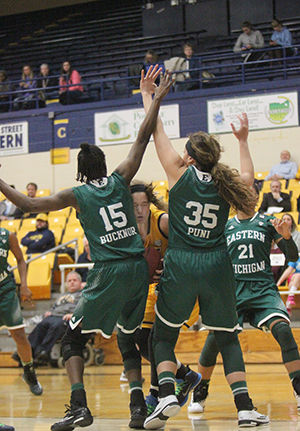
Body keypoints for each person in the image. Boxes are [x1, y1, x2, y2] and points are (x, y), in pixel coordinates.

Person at [0, 65, 172, 431]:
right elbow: (142, 137)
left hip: (109, 271)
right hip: (137, 268)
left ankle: (79, 406)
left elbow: (28, 206)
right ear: (104, 165)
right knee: (129, 339)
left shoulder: (75, 195)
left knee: (72, 340)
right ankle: (138, 409)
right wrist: (155, 99)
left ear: (80, 172)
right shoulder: (121, 178)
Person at [142, 70, 269, 428]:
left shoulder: (178, 175)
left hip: (182, 262)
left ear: (191, 159)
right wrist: (242, 141)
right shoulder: (225, 183)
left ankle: (167, 392)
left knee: (164, 335)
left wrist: (149, 96)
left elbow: (155, 132)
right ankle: (244, 407)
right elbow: (249, 180)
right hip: (217, 265)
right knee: (227, 337)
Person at [189, 179, 300, 416]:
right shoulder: (225, 226)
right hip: (233, 293)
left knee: (283, 330)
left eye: (251, 193)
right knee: (214, 342)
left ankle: (298, 388)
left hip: (262, 291)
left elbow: (292, 255)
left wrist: (287, 237)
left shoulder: (268, 222)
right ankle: (200, 390)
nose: (246, 197)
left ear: (257, 197)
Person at [128, 182, 201, 416]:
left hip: (174, 285)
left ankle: (156, 393)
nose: (139, 210)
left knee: (155, 341)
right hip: (148, 288)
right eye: (134, 205)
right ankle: (185, 375)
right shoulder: (126, 227)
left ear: (149, 203)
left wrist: (168, 264)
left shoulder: (163, 221)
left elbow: (190, 249)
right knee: (142, 339)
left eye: (143, 204)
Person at [0, 226, 42, 395]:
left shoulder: (7, 235)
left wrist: (24, 285)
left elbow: (20, 260)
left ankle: (29, 371)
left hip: (5, 289)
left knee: (19, 335)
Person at [28, 271, 82, 362]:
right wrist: (50, 312)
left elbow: (85, 309)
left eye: (74, 280)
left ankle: (43, 351)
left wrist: (74, 315)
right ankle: (28, 351)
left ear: (80, 283)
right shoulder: (62, 295)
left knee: (56, 325)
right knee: (41, 325)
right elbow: (54, 307)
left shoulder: (83, 295)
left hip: (67, 318)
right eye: (69, 281)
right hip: (54, 316)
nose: (72, 282)